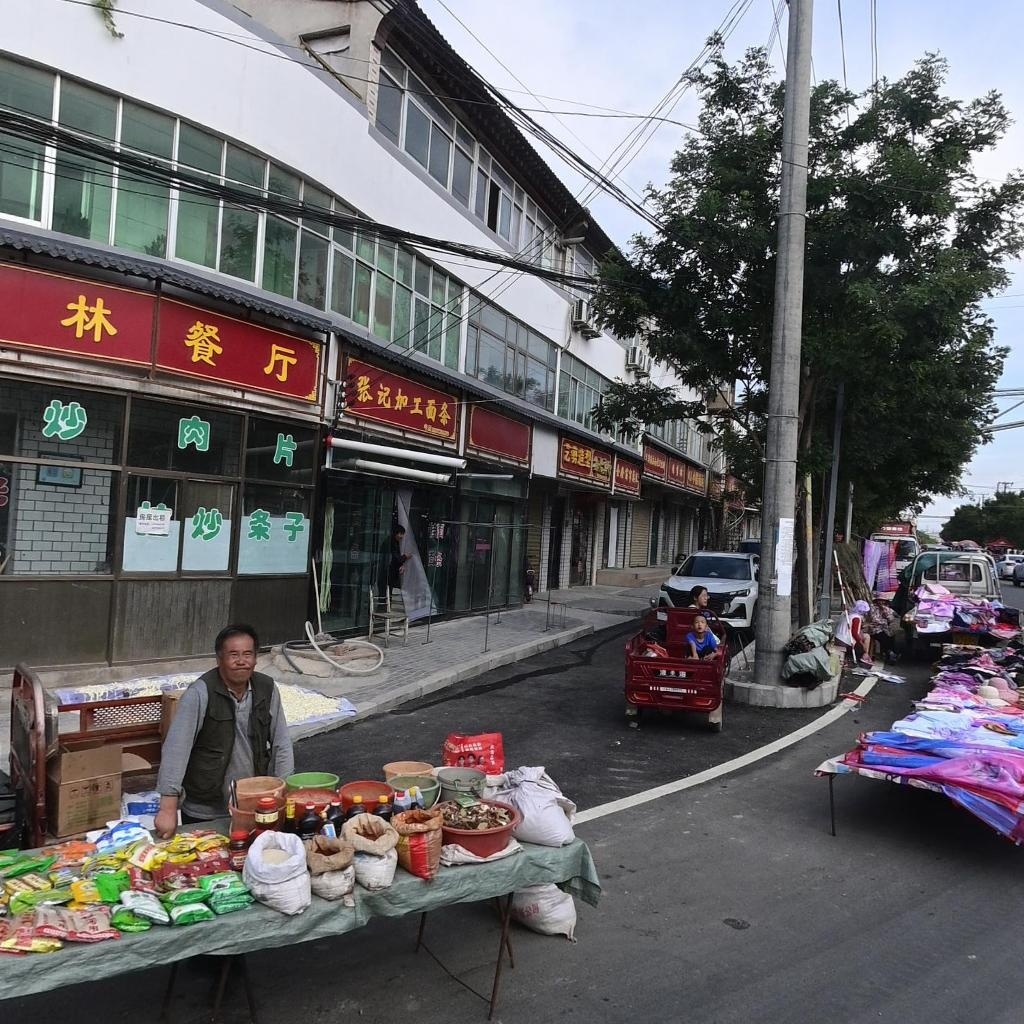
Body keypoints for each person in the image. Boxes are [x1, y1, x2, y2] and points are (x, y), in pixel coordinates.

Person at [154, 624, 294, 838]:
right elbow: (176, 749)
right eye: (233, 654)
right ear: (219, 659)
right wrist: (167, 809)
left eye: (248, 654)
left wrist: (286, 792)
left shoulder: (266, 688)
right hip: (206, 809)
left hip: (254, 803)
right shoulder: (200, 693)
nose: (241, 661)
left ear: (256, 659)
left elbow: (281, 743)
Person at [835, 600, 872, 666]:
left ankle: (864, 655)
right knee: (862, 646)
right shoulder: (856, 618)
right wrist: (862, 644)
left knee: (866, 637)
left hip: (838, 638)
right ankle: (864, 656)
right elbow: (854, 633)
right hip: (845, 641)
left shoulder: (850, 615)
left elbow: (857, 630)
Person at [864, 596, 899, 663]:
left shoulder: (887, 609)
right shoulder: (872, 608)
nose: (881, 602)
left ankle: (890, 654)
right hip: (874, 629)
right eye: (880, 600)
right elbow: (874, 619)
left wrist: (885, 613)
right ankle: (890, 653)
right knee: (883, 636)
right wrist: (884, 621)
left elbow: (891, 619)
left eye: (883, 601)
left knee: (891, 636)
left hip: (884, 629)